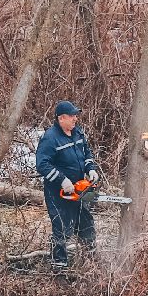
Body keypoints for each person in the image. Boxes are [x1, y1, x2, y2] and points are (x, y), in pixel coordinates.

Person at [36, 100, 99, 271]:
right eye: (72, 116)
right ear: (61, 118)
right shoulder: (50, 138)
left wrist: (90, 168)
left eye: (75, 115)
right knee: (61, 229)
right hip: (58, 192)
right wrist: (62, 180)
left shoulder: (77, 133)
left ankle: (91, 261)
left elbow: (86, 152)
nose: (75, 119)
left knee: (86, 223)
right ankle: (59, 268)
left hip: (79, 188)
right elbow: (42, 165)